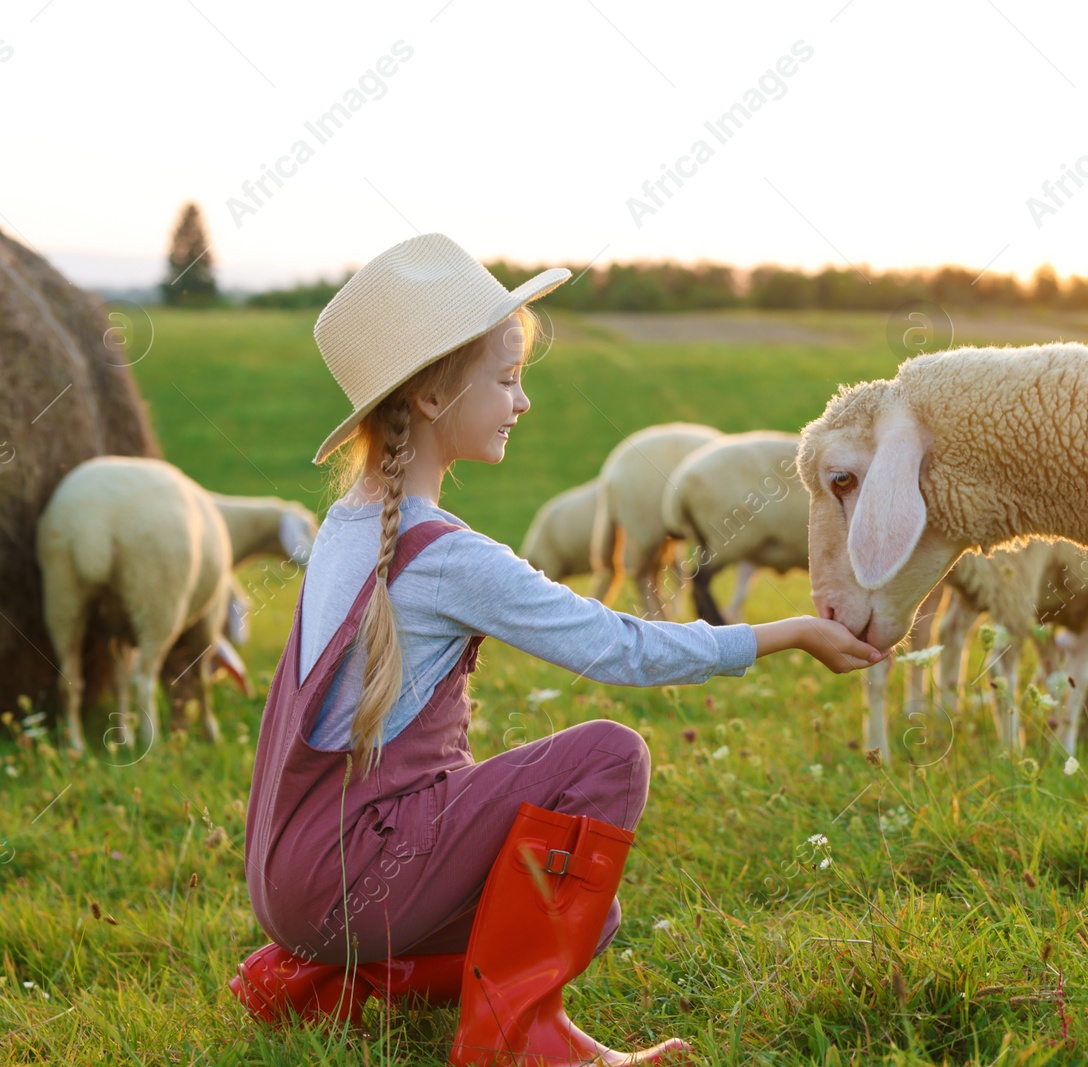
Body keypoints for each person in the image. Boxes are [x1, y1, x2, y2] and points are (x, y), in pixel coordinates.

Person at [228, 234, 889, 1065]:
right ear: (433, 394)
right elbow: (619, 647)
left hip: (297, 879)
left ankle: (320, 982)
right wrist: (785, 632)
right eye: (506, 380)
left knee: (576, 898)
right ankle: (517, 1034)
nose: (523, 401)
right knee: (609, 759)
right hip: (351, 880)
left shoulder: (346, 524)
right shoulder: (445, 555)